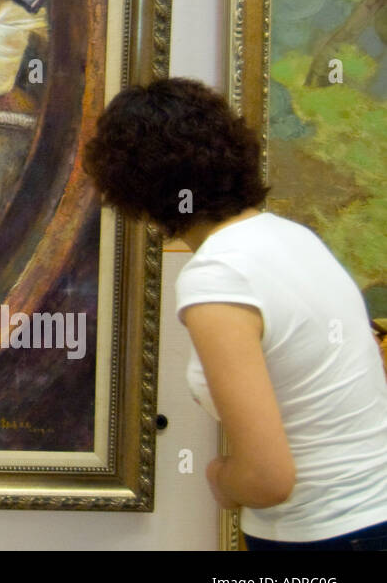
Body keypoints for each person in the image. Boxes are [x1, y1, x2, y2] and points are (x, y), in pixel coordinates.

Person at [83, 77, 387, 550]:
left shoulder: (219, 275)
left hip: (323, 535)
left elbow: (267, 479)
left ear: (132, 187)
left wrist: (219, 476)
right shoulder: (293, 239)